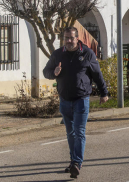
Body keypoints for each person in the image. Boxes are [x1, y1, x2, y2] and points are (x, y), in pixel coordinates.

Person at [43, 27, 108, 179]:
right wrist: (54, 73)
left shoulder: (87, 53)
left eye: (71, 38)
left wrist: (104, 93)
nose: (69, 41)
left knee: (79, 132)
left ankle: (77, 163)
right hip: (65, 100)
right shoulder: (58, 54)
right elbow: (46, 71)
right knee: (70, 133)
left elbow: (97, 74)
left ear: (77, 38)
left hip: (81, 99)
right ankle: (73, 162)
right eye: (66, 38)